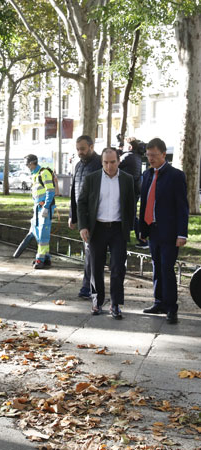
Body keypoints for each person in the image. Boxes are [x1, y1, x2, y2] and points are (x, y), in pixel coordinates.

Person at [77, 148, 135, 319]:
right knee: (95, 267)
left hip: (118, 229)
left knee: (118, 268)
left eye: (112, 162)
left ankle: (115, 304)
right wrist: (83, 226)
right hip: (97, 228)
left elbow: (131, 205)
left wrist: (129, 228)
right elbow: (82, 203)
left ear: (118, 161)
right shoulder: (92, 179)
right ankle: (97, 300)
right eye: (105, 162)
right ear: (102, 162)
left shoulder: (127, 179)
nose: (109, 166)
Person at [139, 138, 189, 324]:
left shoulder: (175, 176)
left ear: (163, 154)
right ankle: (158, 301)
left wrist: (181, 233)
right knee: (156, 267)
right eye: (148, 155)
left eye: (154, 155)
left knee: (167, 268)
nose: (150, 158)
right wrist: (142, 230)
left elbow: (182, 206)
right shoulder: (147, 175)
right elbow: (144, 203)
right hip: (153, 230)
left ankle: (171, 307)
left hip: (169, 231)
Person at [68, 135, 102, 299]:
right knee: (89, 252)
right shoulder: (78, 166)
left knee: (91, 253)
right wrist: (72, 216)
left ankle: (88, 287)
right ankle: (88, 286)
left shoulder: (100, 164)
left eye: (82, 149)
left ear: (91, 147)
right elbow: (74, 191)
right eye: (78, 149)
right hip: (82, 217)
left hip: (95, 216)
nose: (80, 152)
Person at [24, 154, 56, 269]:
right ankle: (46, 258)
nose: (26, 166)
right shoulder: (35, 175)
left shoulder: (43, 173)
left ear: (33, 163)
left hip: (45, 208)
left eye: (27, 164)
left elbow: (50, 191)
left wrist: (46, 207)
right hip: (38, 208)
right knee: (38, 233)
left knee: (43, 234)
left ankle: (40, 259)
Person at [119, 137, 147, 249]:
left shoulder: (127, 156)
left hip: (127, 189)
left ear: (130, 147)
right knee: (132, 214)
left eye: (125, 145)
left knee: (129, 215)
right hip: (134, 189)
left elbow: (114, 164)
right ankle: (142, 238)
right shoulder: (137, 157)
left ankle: (139, 238)